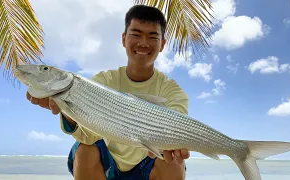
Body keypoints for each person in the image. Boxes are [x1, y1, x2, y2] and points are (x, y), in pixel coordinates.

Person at [26, 4, 190, 180]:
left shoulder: (172, 91)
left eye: (152, 36)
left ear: (162, 44)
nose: (143, 43)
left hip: (147, 164)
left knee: (173, 161)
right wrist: (68, 112)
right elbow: (87, 137)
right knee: (84, 150)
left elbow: (178, 126)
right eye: (136, 34)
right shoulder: (102, 82)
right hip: (108, 164)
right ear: (124, 39)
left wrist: (173, 145)